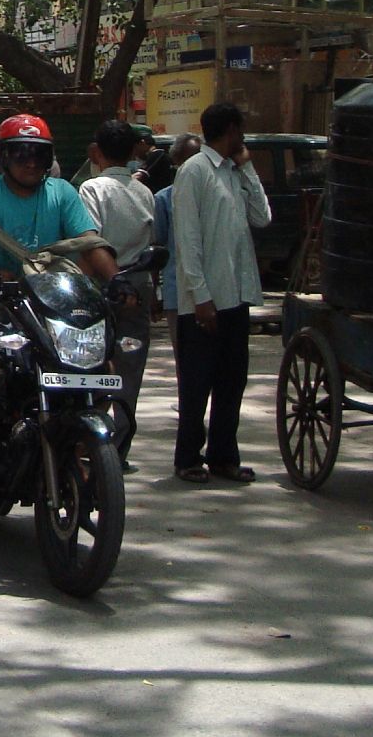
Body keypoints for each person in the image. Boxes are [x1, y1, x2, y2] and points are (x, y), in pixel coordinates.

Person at [0, 114, 118, 419]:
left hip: (51, 307)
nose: (31, 162)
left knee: (102, 371)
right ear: (4, 157)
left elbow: (88, 241)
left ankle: (75, 449)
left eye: (38, 153)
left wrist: (118, 280)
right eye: (21, 153)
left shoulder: (62, 193)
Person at [171, 101, 269, 484]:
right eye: (240, 131)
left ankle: (223, 455)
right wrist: (200, 296)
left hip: (236, 295)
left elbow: (262, 217)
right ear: (231, 129)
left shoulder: (233, 171)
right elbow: (188, 239)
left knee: (232, 379)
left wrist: (248, 167)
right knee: (197, 383)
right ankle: (188, 458)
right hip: (204, 299)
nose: (242, 138)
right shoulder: (194, 172)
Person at [79, 119, 156, 466]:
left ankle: (94, 443)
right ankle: (118, 449)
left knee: (92, 364)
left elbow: (90, 241)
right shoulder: (144, 192)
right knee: (129, 369)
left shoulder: (92, 189)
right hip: (138, 285)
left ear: (97, 152)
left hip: (103, 285)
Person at [149, 134, 203, 331]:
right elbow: (157, 248)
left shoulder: (213, 195)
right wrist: (153, 292)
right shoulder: (164, 199)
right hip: (177, 291)